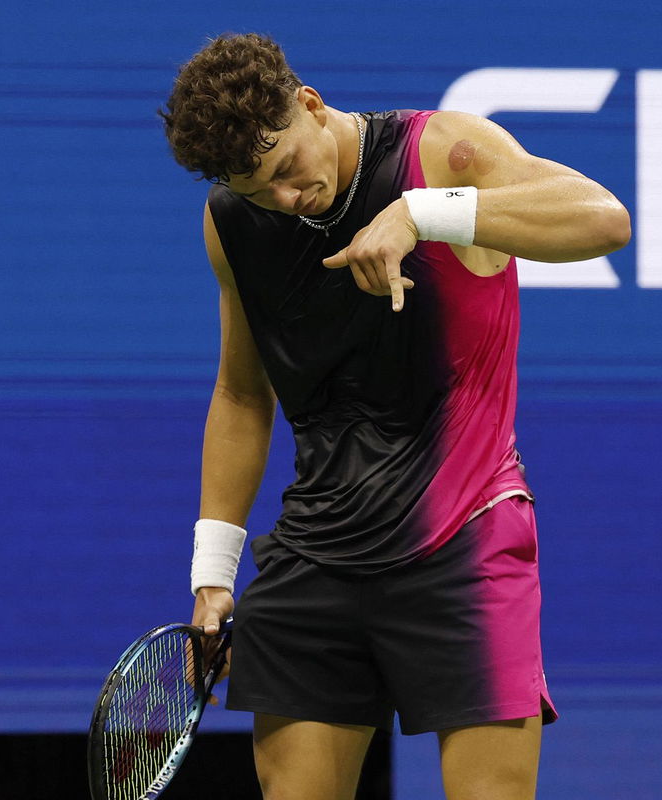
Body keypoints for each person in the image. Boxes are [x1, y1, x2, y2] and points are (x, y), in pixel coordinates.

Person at [159, 33, 630, 800]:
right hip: (316, 556)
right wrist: (212, 578)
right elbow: (243, 394)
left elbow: (604, 219)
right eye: (256, 188)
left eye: (286, 168)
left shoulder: (440, 152)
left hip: (464, 541)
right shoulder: (231, 224)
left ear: (309, 104)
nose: (285, 197)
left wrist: (424, 213)